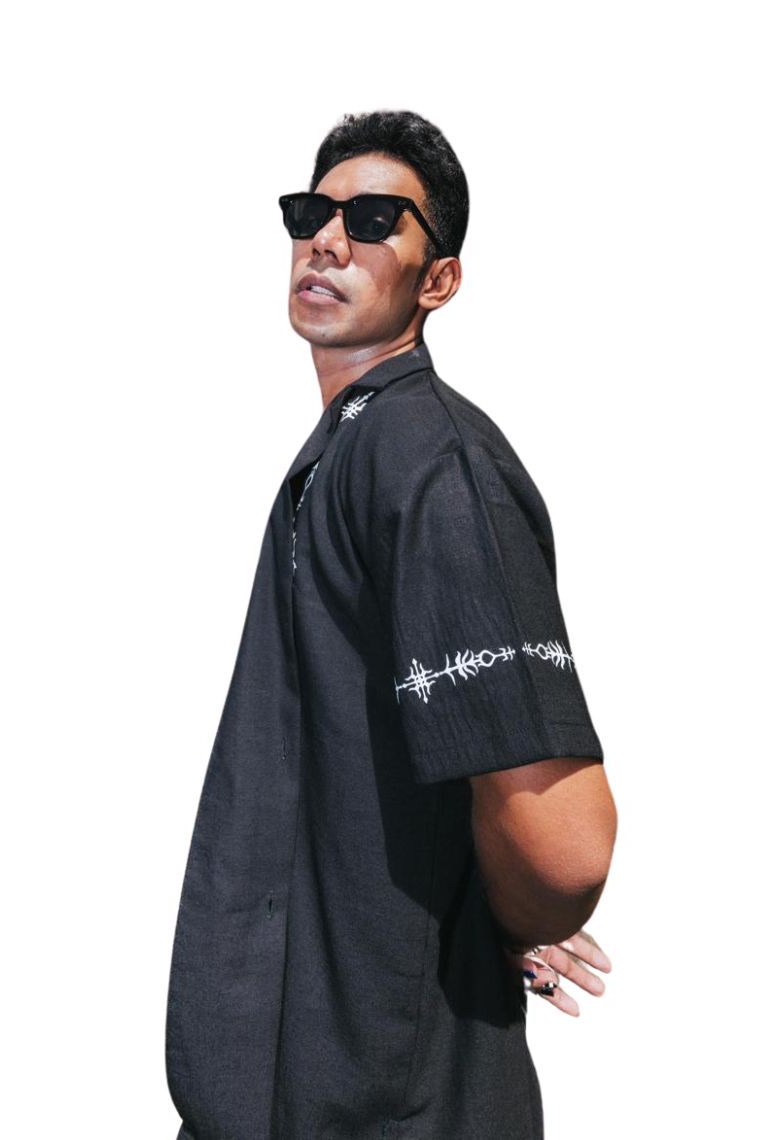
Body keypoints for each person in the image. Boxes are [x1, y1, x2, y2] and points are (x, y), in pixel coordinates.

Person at [164, 109, 618, 1140]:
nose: (328, 239)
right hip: (287, 1086)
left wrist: (520, 912)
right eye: (310, 213)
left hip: (391, 1102)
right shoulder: (351, 450)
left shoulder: (432, 467)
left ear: (439, 279)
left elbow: (563, 844)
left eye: (374, 220)